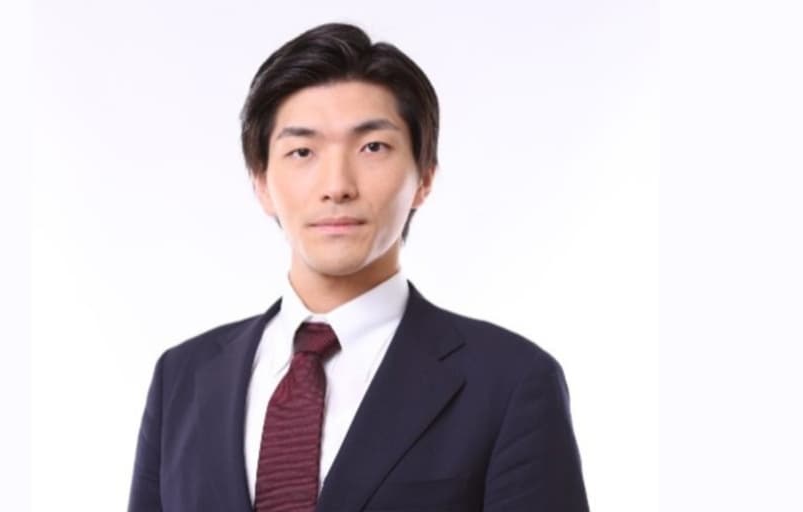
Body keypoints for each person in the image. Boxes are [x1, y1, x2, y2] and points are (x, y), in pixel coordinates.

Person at [128, 22, 590, 512]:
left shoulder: (510, 381)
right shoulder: (183, 377)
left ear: (424, 176)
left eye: (373, 147)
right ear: (261, 182)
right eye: (302, 151)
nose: (337, 186)